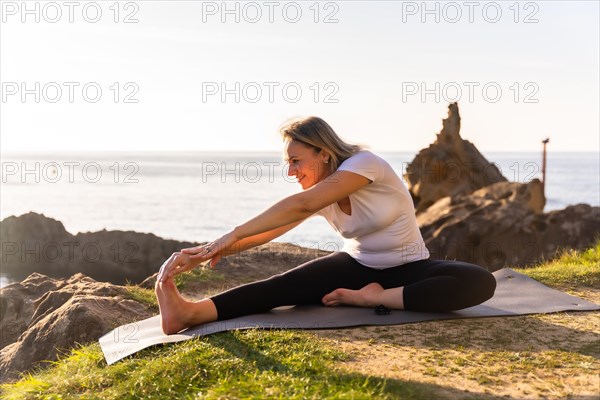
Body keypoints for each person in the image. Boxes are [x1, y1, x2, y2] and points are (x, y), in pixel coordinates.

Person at [155, 116, 497, 335]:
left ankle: (374, 298)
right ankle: (188, 313)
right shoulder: (319, 194)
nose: (291, 172)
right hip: (355, 265)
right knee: (280, 287)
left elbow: (300, 206)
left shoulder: (367, 165)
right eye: (288, 163)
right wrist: (204, 253)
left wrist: (230, 235)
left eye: (296, 161)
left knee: (478, 282)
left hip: (411, 267)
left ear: (324, 153)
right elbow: (272, 229)